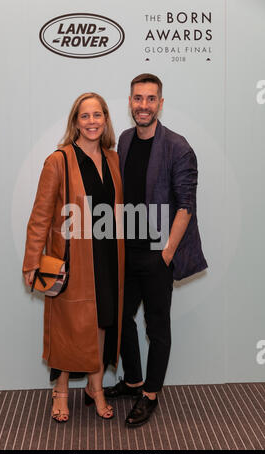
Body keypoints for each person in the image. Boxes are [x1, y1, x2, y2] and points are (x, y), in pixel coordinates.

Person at [104, 73, 207, 427]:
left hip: (157, 253)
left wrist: (166, 253)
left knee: (157, 327)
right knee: (119, 318)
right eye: (137, 98)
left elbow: (186, 205)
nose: (143, 105)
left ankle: (150, 395)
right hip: (126, 250)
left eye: (150, 99)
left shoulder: (178, 147)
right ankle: (133, 380)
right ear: (130, 102)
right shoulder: (126, 140)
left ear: (160, 103)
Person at [22, 93, 124, 422]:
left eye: (98, 115)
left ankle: (95, 387)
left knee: (103, 320)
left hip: (107, 254)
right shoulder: (59, 160)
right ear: (75, 122)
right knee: (69, 326)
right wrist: (31, 261)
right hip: (72, 256)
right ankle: (61, 391)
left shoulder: (112, 159)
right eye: (85, 116)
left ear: (106, 119)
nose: (92, 121)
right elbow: (40, 215)